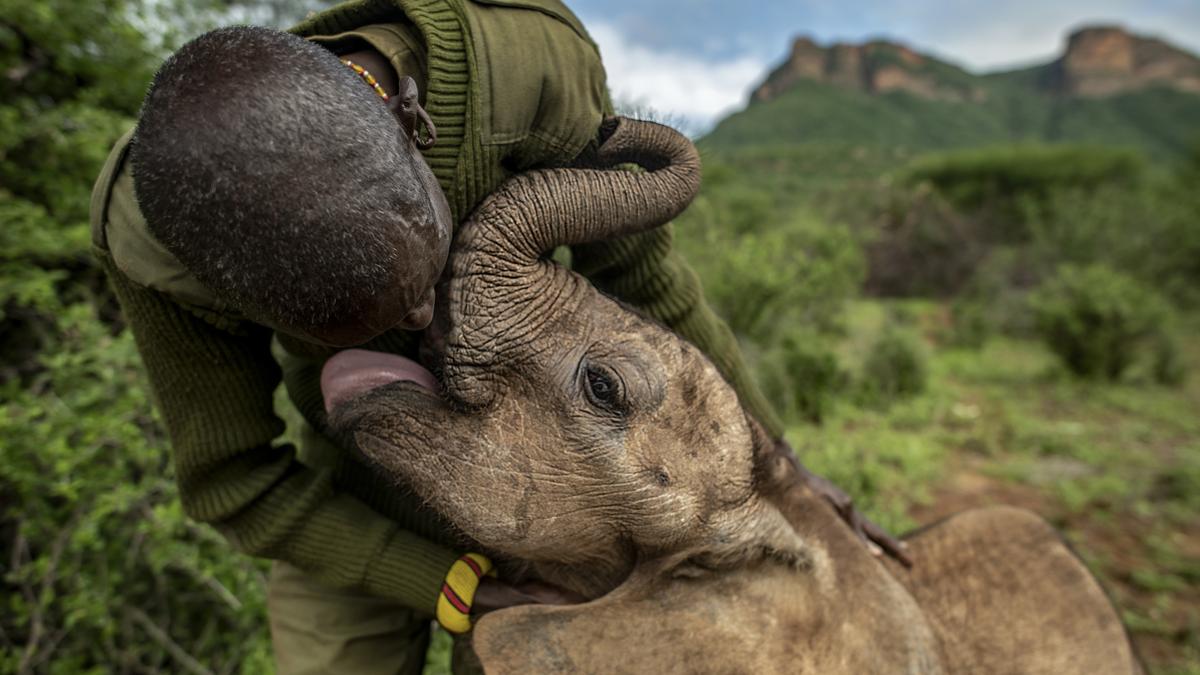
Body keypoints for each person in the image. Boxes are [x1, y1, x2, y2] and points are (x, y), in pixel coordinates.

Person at [91, 1, 900, 672]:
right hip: (355, 490)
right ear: (226, 283)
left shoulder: (523, 71)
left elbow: (648, 284)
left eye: (424, 264)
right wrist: (447, 583)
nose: (419, 319)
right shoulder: (155, 244)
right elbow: (235, 481)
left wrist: (783, 464)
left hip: (563, 481)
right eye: (364, 316)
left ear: (410, 118)